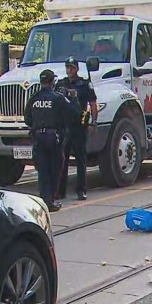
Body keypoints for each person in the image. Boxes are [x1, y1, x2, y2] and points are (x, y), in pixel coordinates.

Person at [24, 69, 73, 213]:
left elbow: (27, 119)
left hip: (38, 138)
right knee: (54, 170)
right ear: (53, 81)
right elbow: (69, 116)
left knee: (43, 171)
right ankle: (50, 201)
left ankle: (44, 200)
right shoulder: (58, 98)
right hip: (53, 138)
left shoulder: (34, 98)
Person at [55, 56, 98, 201]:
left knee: (81, 160)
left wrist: (94, 122)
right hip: (64, 127)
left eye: (72, 67)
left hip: (79, 126)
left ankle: (81, 190)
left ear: (77, 69)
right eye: (68, 67)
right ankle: (61, 191)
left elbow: (93, 103)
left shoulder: (84, 84)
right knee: (62, 160)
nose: (69, 70)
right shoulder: (61, 84)